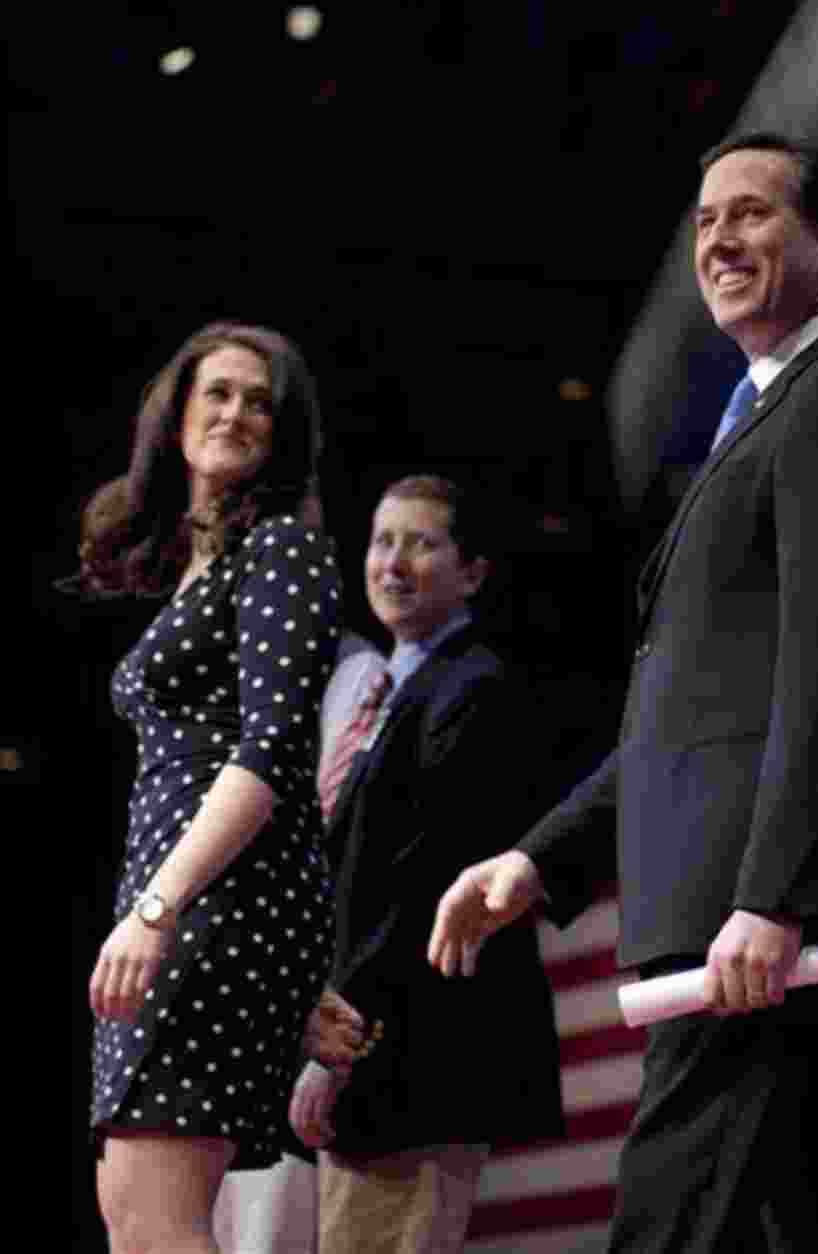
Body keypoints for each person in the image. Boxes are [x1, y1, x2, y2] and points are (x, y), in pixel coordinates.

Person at [428, 134, 818, 1252]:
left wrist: (779, 897)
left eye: (751, 215)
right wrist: (540, 859)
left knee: (670, 1218)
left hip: (758, 927)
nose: (718, 240)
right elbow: (690, 717)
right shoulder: (763, 418)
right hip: (742, 919)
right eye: (705, 221)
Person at [82, 321, 344, 1254]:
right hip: (188, 898)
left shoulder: (283, 551)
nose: (236, 414)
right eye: (218, 393)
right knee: (133, 1217)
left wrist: (156, 911)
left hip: (208, 903)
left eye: (260, 401)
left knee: (157, 1220)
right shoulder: (202, 569)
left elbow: (272, 753)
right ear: (177, 413)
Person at [289, 475, 564, 1254]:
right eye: (382, 540)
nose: (393, 562)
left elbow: (414, 891)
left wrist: (339, 1045)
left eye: (422, 542)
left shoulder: (473, 688)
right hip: (382, 1067)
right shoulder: (389, 689)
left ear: (472, 571)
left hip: (415, 1066)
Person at [211, 631, 387, 1254]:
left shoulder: (354, 676)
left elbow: (342, 863)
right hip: (225, 1025)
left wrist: (325, 1050)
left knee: (268, 1234)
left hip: (295, 1017)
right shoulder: (225, 679)